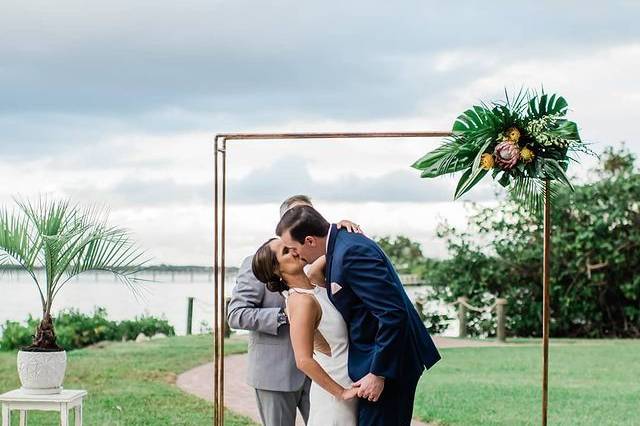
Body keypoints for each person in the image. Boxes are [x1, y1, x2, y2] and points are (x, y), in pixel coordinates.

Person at [275, 205, 441, 426]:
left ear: (310, 241)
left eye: (294, 248)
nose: (297, 254)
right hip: (369, 362)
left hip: (388, 364)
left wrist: (378, 373)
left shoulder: (351, 252)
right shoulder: (340, 247)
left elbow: (393, 314)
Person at [227, 195, 361, 426]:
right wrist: (290, 317)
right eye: (296, 215)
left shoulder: (310, 260)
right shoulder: (260, 261)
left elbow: (331, 248)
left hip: (324, 374)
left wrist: (340, 228)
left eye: (309, 215)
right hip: (275, 373)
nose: (303, 220)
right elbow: (236, 314)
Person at [252, 238, 358, 426]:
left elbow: (331, 246)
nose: (293, 250)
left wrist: (341, 228)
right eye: (285, 251)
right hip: (336, 392)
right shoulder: (301, 302)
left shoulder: (313, 280)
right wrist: (341, 393)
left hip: (351, 379)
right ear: (276, 270)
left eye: (289, 245)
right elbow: (303, 360)